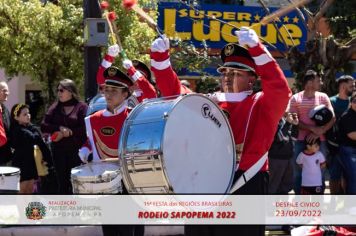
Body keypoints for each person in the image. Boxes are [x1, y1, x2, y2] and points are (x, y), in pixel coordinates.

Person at [150, 27, 291, 236]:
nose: (227, 77)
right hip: (203, 185)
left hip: (244, 185)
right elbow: (173, 92)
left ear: (252, 79)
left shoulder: (260, 104)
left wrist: (257, 49)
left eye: (235, 73)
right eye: (224, 71)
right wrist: (160, 59)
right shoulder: (207, 102)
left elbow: (280, 89)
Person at [79, 66, 144, 236]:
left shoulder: (135, 117)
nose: (108, 94)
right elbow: (90, 141)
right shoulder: (94, 119)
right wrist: (85, 150)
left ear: (125, 94)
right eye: (106, 89)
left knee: (129, 229)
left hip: (129, 183)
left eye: (114, 90)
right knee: (109, 229)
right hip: (105, 183)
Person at [288, 69, 335, 194]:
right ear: (309, 82)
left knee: (320, 171)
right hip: (300, 141)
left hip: (321, 142)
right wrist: (311, 129)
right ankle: (300, 203)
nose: (321, 83)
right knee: (298, 172)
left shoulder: (323, 97)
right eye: (318, 80)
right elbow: (293, 120)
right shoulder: (295, 98)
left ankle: (317, 203)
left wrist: (320, 131)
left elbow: (332, 117)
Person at [41, 79, 88, 194]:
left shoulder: (82, 107)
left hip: (76, 152)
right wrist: (59, 129)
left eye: (62, 90)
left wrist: (70, 132)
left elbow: (86, 128)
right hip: (58, 152)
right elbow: (44, 125)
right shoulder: (55, 107)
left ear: (71, 91)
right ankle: (63, 209)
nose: (59, 93)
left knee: (76, 182)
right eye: (58, 90)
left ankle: (76, 209)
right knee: (61, 183)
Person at [10, 104, 52, 193]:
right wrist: (37, 135)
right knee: (22, 191)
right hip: (21, 164)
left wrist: (47, 158)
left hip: (31, 164)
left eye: (28, 113)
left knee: (30, 191)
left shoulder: (32, 128)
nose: (28, 115)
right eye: (24, 114)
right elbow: (33, 137)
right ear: (16, 118)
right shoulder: (17, 130)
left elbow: (42, 144)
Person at [328, 75, 355, 193]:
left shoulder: (353, 101)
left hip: (349, 145)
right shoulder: (331, 101)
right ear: (343, 86)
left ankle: (346, 203)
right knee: (334, 175)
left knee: (349, 176)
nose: (354, 88)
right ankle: (333, 204)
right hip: (334, 145)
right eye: (351, 85)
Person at [268, 112, 298, 194]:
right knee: (272, 186)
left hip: (288, 158)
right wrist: (288, 123)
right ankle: (269, 205)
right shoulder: (275, 120)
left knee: (286, 187)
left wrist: (295, 125)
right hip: (276, 159)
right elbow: (280, 138)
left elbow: (294, 139)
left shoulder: (286, 120)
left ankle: (282, 205)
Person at [338, 92, 356, 194]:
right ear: (351, 102)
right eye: (355, 101)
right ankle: (352, 206)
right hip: (349, 151)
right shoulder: (347, 116)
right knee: (354, 177)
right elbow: (353, 135)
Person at [0, 81, 12, 165]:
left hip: (4, 155)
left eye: (8, 91)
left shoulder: (5, 110)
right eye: (4, 90)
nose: (7, 93)